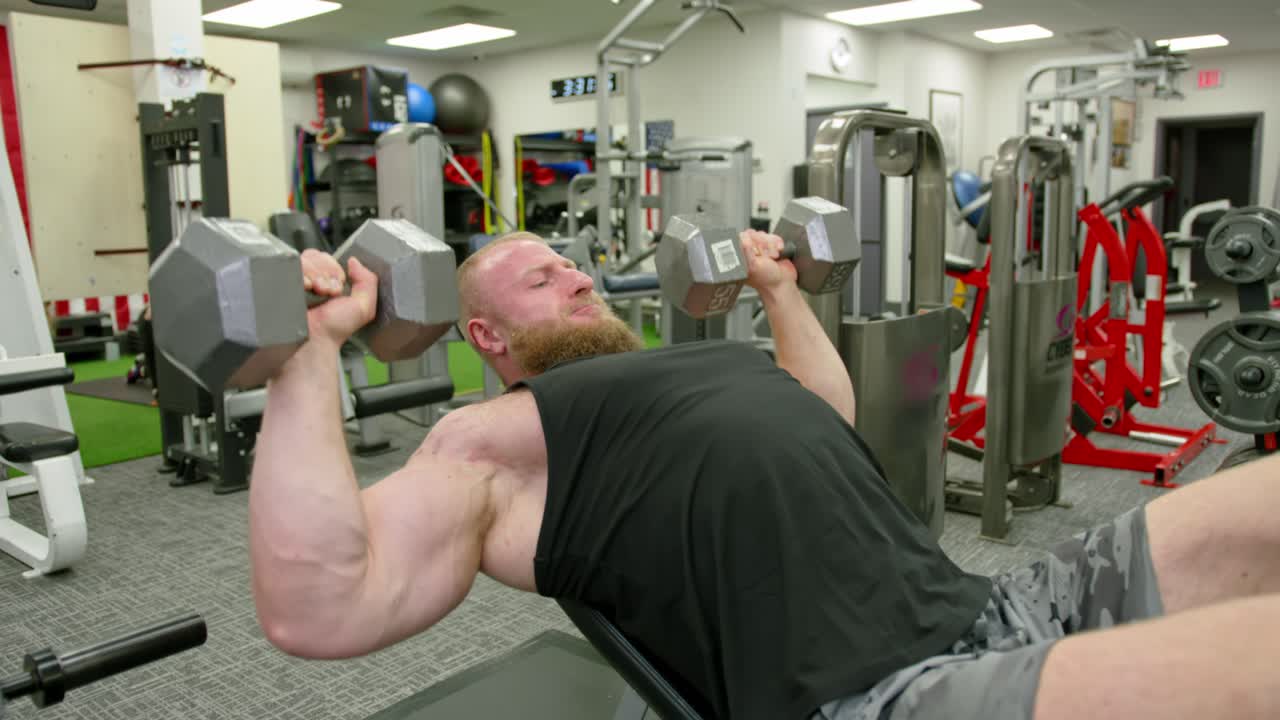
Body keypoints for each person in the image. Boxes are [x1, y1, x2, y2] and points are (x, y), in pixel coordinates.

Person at [250, 230, 1280, 720]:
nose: (570, 272)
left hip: (990, 606)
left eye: (567, 261)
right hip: (884, 698)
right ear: (485, 332)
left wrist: (777, 290)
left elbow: (822, 410)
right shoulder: (494, 443)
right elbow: (319, 608)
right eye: (537, 277)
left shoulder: (693, 359)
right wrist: (303, 354)